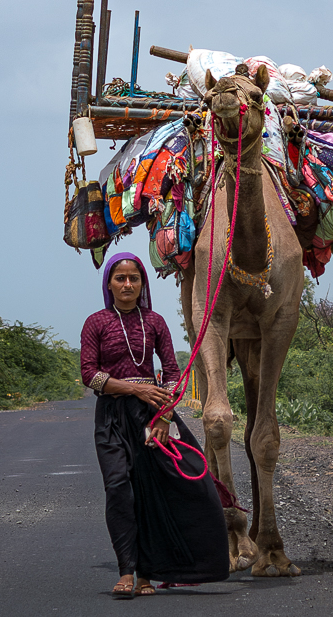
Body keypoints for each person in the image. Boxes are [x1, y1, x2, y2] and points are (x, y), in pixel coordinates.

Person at [80, 252, 229, 598]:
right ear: (109, 284)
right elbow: (90, 375)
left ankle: (149, 572)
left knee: (162, 491)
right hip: (112, 418)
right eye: (120, 278)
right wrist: (135, 388)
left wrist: (164, 417)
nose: (128, 284)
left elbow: (174, 373)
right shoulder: (96, 323)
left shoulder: (156, 322)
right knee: (119, 488)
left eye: (134, 278)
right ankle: (126, 571)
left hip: (152, 417)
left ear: (143, 283)